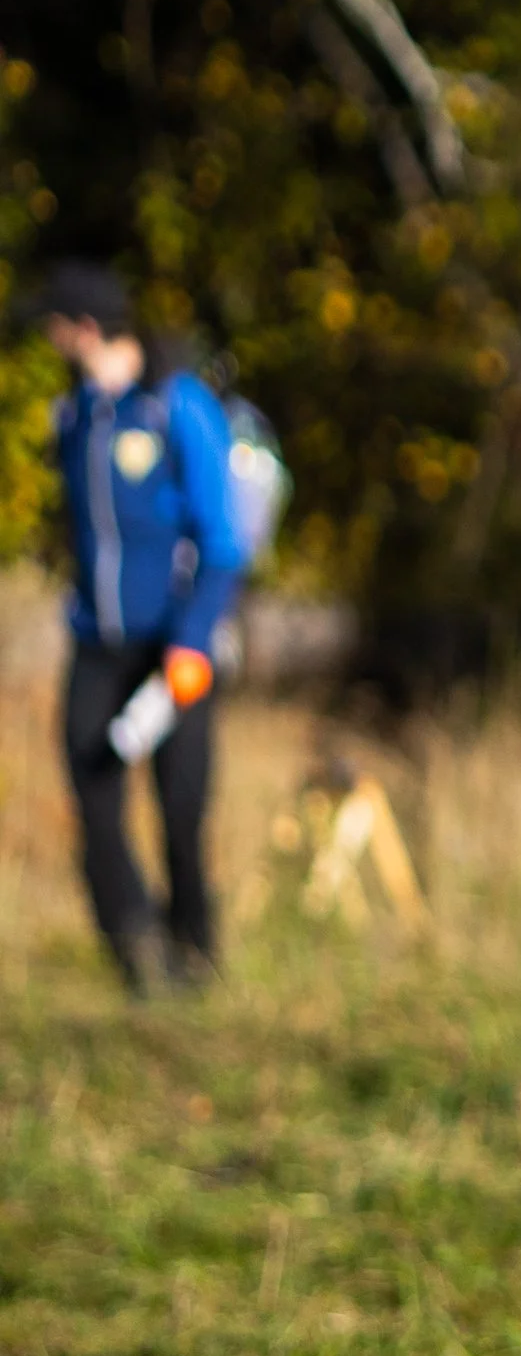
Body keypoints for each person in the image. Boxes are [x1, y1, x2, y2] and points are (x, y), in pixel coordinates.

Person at [36, 261, 247, 991]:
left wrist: (193, 640)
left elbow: (224, 537)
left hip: (174, 643)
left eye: (57, 326)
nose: (52, 340)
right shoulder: (75, 415)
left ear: (84, 327)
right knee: (93, 795)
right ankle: (138, 949)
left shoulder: (176, 405)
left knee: (181, 807)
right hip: (98, 640)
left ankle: (199, 951)